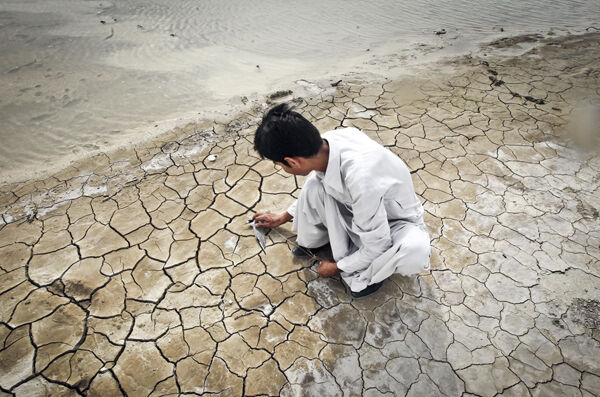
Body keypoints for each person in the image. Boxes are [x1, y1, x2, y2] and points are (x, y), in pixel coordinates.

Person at [252, 103, 431, 297]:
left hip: (395, 222)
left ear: (292, 162)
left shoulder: (361, 178)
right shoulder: (327, 143)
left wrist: (337, 267)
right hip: (359, 209)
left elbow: (377, 245)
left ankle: (368, 276)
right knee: (314, 184)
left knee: (413, 250)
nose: (283, 169)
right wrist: (282, 218)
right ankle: (322, 242)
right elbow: (322, 182)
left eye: (279, 165)